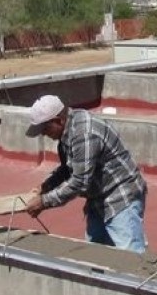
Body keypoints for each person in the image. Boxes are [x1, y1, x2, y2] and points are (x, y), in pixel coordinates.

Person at [23, 94, 148, 253]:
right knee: (94, 254)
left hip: (120, 197)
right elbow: (67, 169)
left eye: (45, 128)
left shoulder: (84, 134)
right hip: (98, 199)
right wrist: (44, 187)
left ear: (58, 120)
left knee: (130, 257)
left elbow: (80, 182)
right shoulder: (67, 132)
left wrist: (44, 202)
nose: (43, 134)